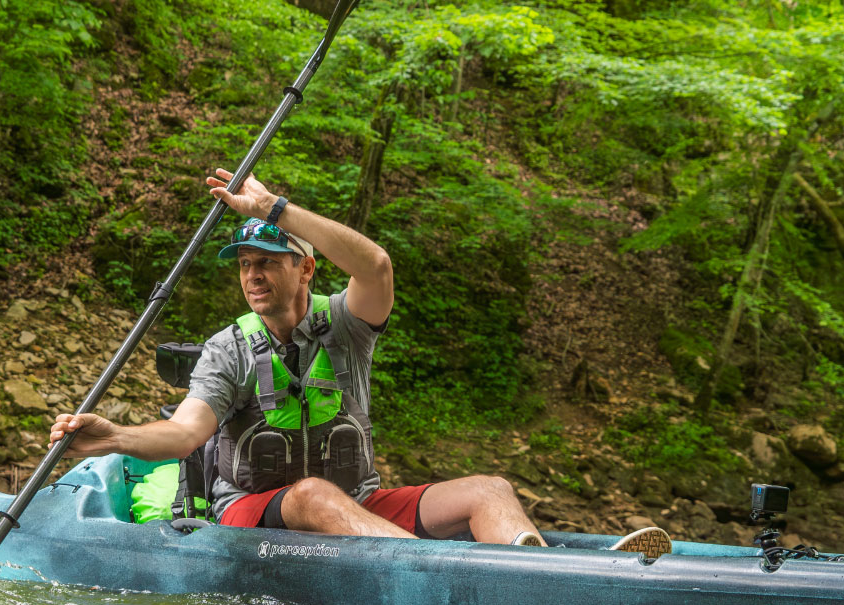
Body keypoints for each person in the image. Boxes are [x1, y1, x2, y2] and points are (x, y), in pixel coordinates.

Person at [49, 168, 671, 557]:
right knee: (315, 493)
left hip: (360, 506)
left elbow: (374, 266)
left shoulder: (346, 325)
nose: (253, 275)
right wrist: (115, 438)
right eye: (244, 264)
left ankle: (536, 576)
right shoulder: (229, 348)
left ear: (306, 266)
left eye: (267, 260)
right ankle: (456, 575)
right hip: (253, 515)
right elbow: (185, 433)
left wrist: (274, 211)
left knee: (490, 489)